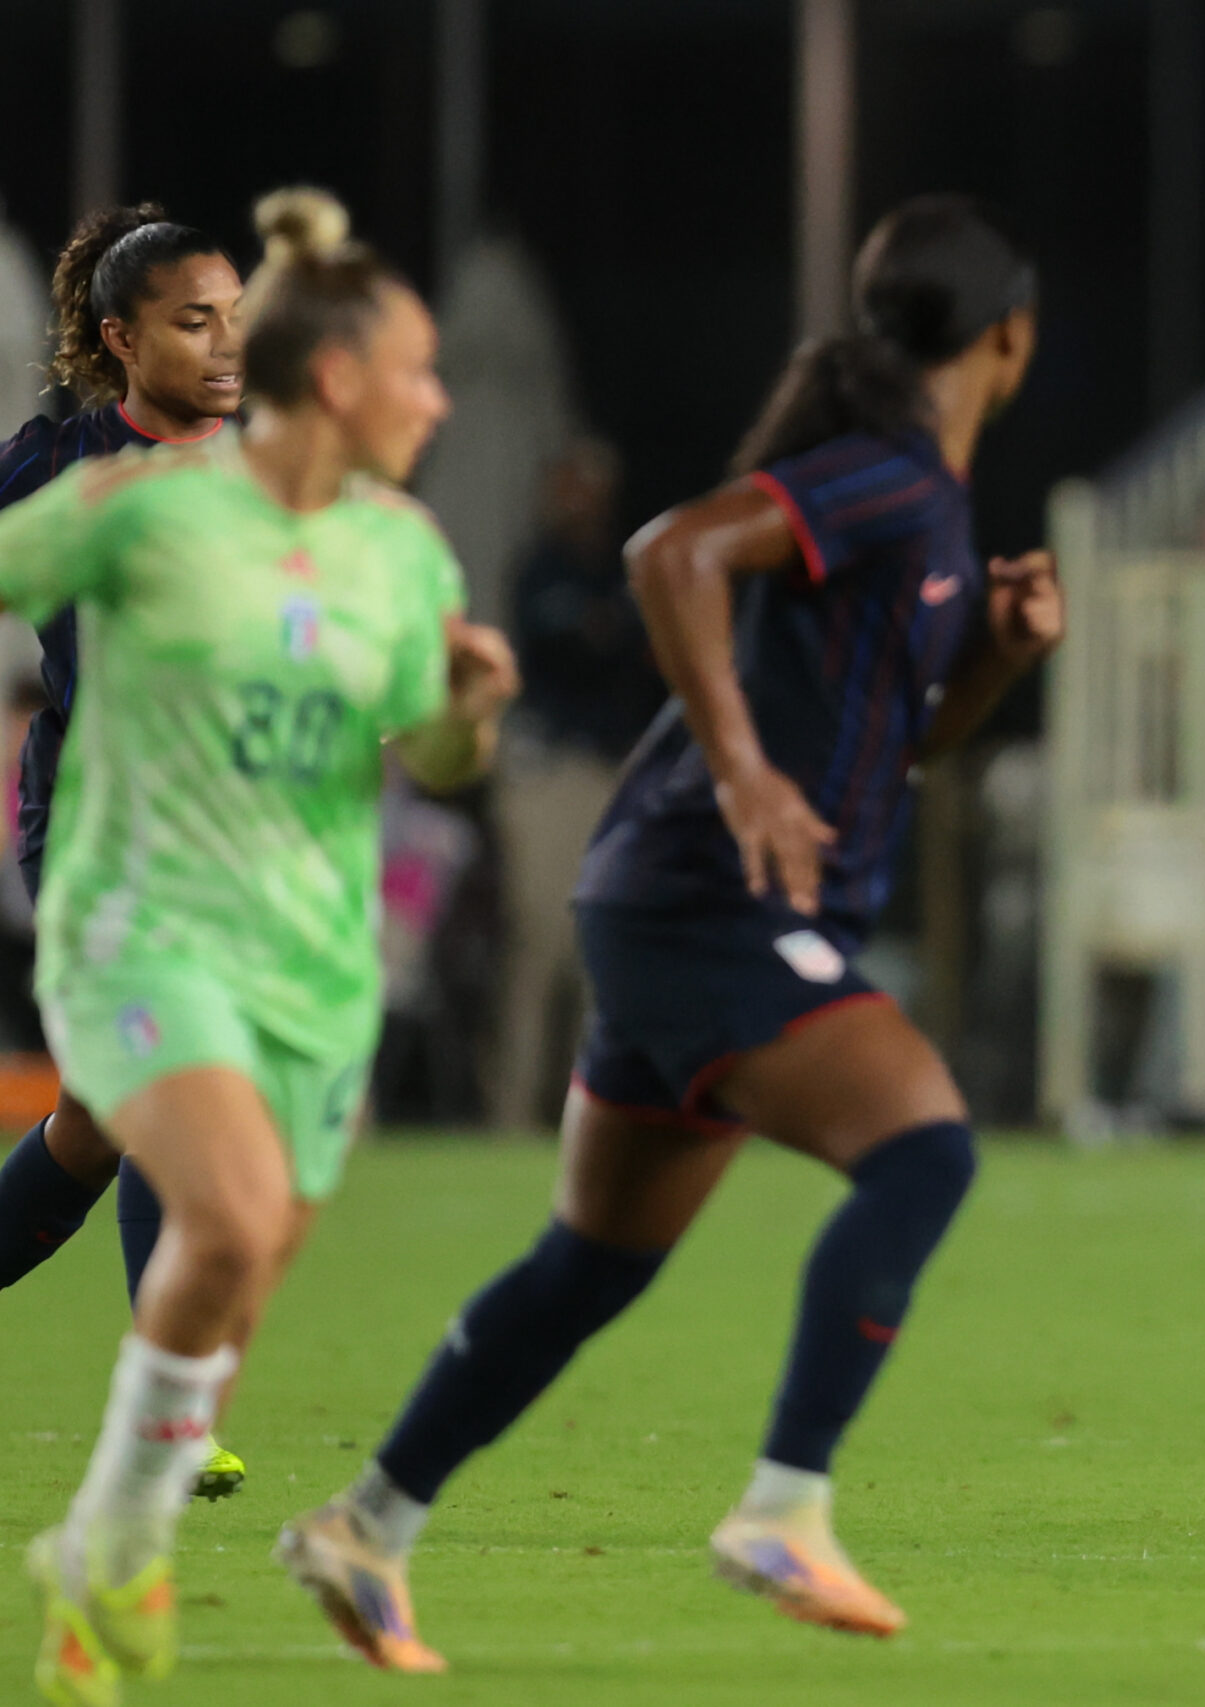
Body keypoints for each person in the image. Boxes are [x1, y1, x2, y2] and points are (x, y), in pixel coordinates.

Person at [279, 196, 1059, 1662]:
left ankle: (364, 1523)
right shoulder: (887, 478)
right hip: (710, 891)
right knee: (926, 1151)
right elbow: (671, 551)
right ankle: (784, 1504)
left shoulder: (928, 506)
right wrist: (746, 764)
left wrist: (998, 662)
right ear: (1007, 336)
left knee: (594, 1260)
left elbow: (916, 743)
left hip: (665, 896)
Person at [3, 186, 516, 1707]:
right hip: (133, 915)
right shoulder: (134, 501)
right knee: (213, 1205)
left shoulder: (404, 554)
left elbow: (434, 759)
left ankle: (104, 1536)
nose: (440, 397)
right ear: (342, 376)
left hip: (302, 951)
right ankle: (121, 1551)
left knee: (216, 1227)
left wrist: (467, 713)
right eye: (420, 369)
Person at [0, 204, 259, 1501]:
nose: (224, 346)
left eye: (234, 319)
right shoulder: (57, 459)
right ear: (120, 335)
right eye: (191, 322)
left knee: (97, 1127)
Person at [488, 438, 661, 1129]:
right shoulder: (541, 568)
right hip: (550, 769)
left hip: (612, 770)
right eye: (565, 485)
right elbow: (570, 644)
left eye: (586, 484)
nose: (576, 499)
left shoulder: (627, 565)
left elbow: (639, 654)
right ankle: (512, 1109)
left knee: (604, 948)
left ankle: (592, 1112)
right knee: (538, 948)